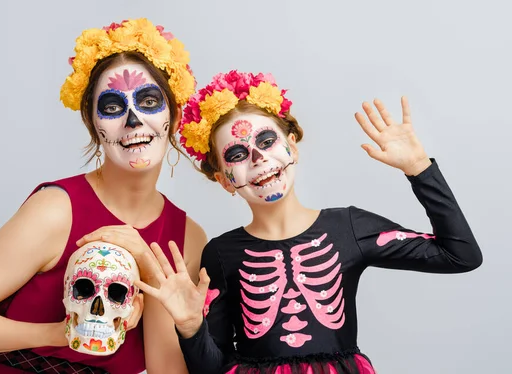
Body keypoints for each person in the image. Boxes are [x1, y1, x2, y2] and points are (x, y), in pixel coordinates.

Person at [134, 70, 483, 373]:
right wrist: (192, 327)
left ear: (293, 146)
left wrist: (420, 169)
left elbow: (460, 254)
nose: (258, 159)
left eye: (267, 141)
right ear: (225, 179)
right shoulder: (222, 254)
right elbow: (214, 369)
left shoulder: (349, 227)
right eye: (237, 155)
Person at [0, 18, 207, 374]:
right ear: (93, 126)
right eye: (111, 107)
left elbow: (166, 369)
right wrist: (62, 334)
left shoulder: (187, 239)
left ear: (176, 115)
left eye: (149, 101)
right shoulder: (56, 210)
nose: (133, 121)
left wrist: (148, 265)